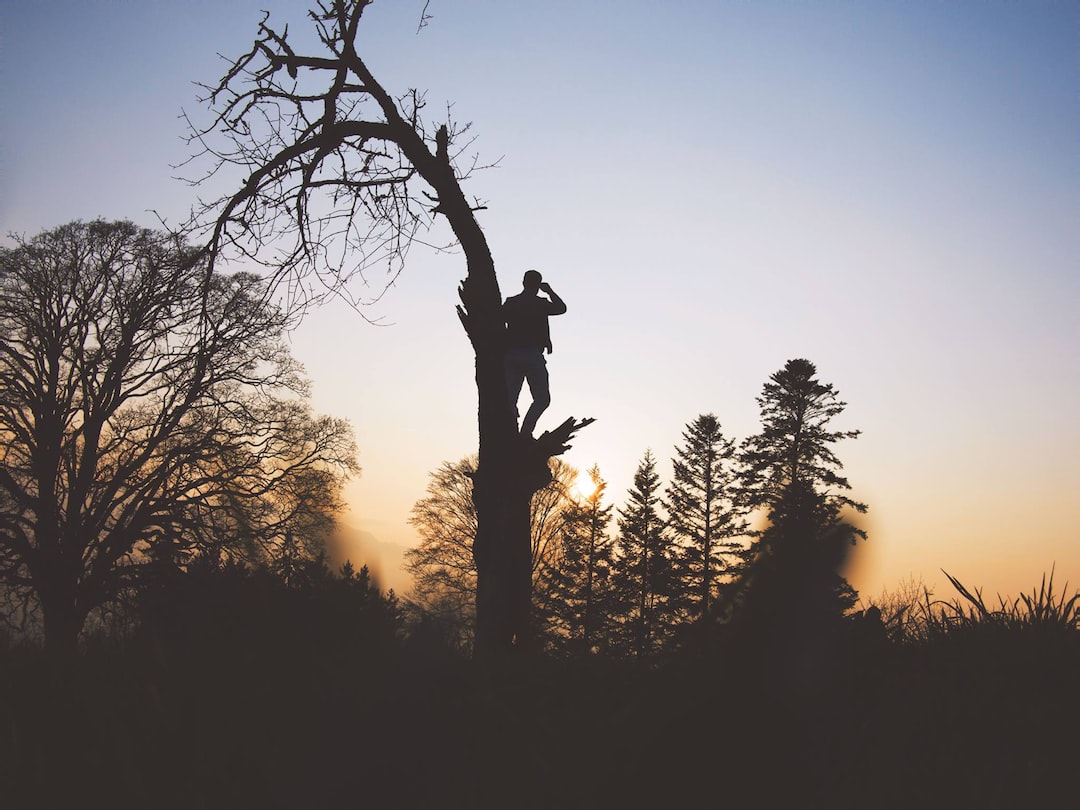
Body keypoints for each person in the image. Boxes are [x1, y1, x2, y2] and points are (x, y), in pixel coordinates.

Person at [503, 270, 567, 437]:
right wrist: (550, 291)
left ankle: (514, 433)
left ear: (523, 282)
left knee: (510, 400)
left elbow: (497, 321)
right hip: (531, 354)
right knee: (542, 399)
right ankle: (524, 433)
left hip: (512, 355)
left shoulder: (512, 302)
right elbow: (561, 308)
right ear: (538, 285)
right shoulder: (541, 303)